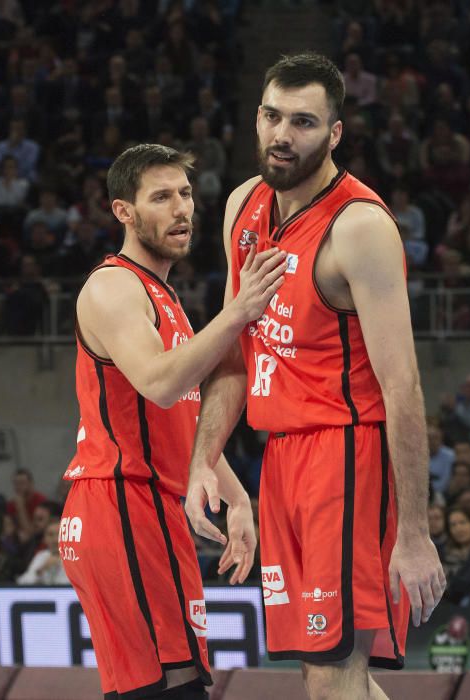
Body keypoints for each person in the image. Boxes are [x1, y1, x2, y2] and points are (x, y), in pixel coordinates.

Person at [185, 53, 445, 700]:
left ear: (333, 133)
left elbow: (402, 387)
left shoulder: (359, 228)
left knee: (332, 675)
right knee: (321, 671)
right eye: (272, 116)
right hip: (281, 460)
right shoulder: (244, 205)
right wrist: (202, 459)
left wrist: (413, 532)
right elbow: (234, 351)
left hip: (347, 459)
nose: (281, 134)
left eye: (302, 122)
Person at [60, 143, 287, 699]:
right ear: (124, 212)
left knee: (166, 685)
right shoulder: (113, 286)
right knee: (173, 687)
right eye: (161, 197)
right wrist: (238, 312)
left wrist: (237, 499)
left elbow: (183, 416)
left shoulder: (164, 296)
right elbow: (162, 385)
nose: (181, 208)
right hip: (121, 503)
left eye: (185, 194)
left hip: (140, 506)